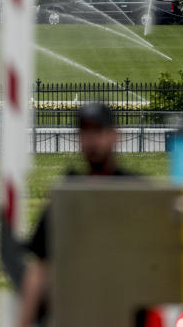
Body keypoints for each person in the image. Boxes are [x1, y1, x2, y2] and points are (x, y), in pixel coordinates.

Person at [18, 102, 132, 327]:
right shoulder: (66, 194)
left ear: (115, 135)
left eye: (98, 131)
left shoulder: (136, 190)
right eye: (85, 132)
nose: (92, 141)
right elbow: (39, 266)